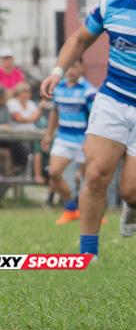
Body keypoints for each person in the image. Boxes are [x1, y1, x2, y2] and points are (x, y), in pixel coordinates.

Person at [45, 0, 136, 258]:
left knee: (130, 190)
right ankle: (88, 254)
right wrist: (57, 72)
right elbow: (80, 40)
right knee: (95, 175)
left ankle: (132, 206)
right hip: (113, 101)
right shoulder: (112, 6)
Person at [43, 59, 96, 224]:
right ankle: (71, 209)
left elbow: (96, 116)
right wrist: (48, 135)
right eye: (69, 67)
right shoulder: (58, 88)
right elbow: (54, 112)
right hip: (63, 138)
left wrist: (92, 140)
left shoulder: (88, 90)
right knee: (54, 172)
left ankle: (94, 215)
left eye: (75, 66)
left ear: (81, 67)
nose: (71, 70)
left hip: (83, 140)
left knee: (89, 180)